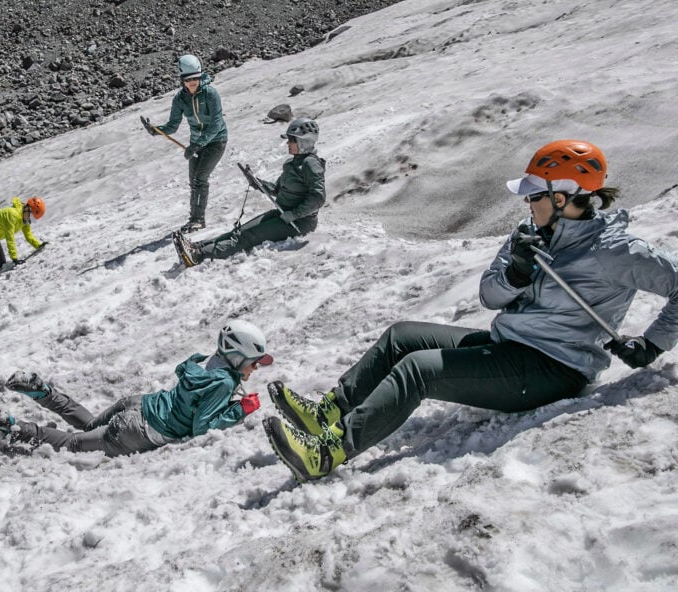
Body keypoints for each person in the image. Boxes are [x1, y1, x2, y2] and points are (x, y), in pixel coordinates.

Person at [262, 139, 678, 482]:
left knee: (419, 370)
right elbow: (489, 296)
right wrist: (515, 274)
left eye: (535, 195)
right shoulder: (530, 235)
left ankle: (328, 452)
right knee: (402, 336)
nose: (527, 204)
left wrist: (654, 343)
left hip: (553, 369)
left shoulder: (615, 251)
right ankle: (328, 412)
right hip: (510, 346)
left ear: (565, 195)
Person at [0, 320, 274, 457]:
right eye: (253, 362)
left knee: (90, 424)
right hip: (139, 431)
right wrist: (239, 410)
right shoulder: (223, 383)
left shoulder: (205, 361)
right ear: (236, 356)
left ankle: (43, 392)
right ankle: (15, 427)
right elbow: (201, 427)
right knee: (73, 444)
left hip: (138, 403)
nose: (255, 368)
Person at [173, 118, 326, 267]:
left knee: (247, 237)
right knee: (239, 231)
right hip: (283, 214)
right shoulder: (291, 163)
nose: (288, 143)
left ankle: (199, 255)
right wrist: (256, 182)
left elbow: (318, 198)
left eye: (292, 140)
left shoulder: (311, 164)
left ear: (304, 141)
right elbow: (277, 189)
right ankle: (198, 247)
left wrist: (295, 214)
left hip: (299, 223)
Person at [143, 54, 227, 233]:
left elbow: (217, 124)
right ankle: (194, 219)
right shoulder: (180, 99)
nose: (193, 83)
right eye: (188, 80)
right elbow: (173, 126)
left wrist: (197, 145)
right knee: (193, 181)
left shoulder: (211, 94)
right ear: (182, 80)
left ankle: (198, 220)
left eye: (196, 78)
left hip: (216, 141)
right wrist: (156, 130)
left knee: (200, 178)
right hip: (196, 143)